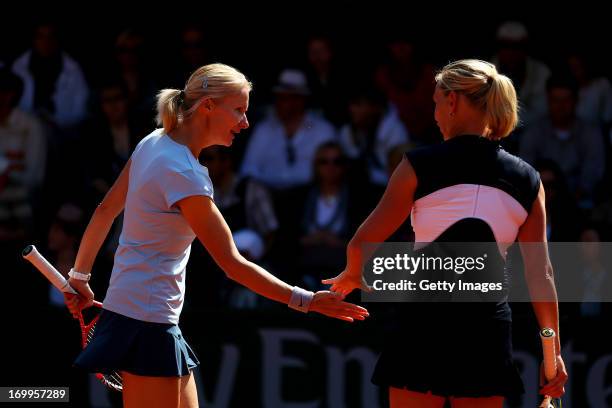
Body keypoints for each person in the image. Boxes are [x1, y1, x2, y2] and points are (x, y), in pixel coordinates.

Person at [63, 63, 368, 408]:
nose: (245, 122)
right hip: (146, 322)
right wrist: (307, 301)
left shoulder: (154, 143)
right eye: (238, 110)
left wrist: (80, 275)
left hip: (144, 317)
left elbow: (106, 210)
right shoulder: (184, 174)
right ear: (208, 106)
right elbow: (233, 264)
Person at [323, 59, 567, 407]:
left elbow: (361, 243)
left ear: (452, 101)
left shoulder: (417, 165)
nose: (435, 114)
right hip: (486, 332)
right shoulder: (528, 179)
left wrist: (351, 274)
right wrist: (550, 351)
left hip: (422, 326)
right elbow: (540, 274)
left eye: (436, 102)